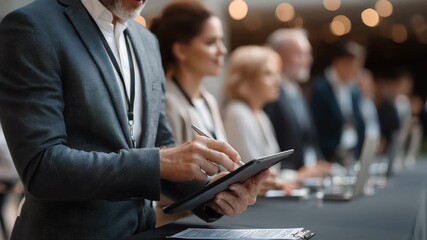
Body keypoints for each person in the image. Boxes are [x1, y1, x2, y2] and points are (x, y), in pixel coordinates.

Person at [0, 0, 269, 239]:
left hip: (147, 231)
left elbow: (161, 146)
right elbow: (42, 167)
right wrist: (160, 162)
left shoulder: (147, 41)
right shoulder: (32, 26)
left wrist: (214, 194)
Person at [149, 0, 228, 226]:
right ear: (181, 49)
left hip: (206, 215)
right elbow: (169, 182)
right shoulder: (165, 102)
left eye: (221, 41)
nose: (222, 50)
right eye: (211, 42)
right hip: (176, 221)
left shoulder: (208, 100)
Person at [264, 29, 331, 183]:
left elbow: (308, 139)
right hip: (286, 183)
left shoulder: (296, 91)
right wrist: (300, 174)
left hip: (307, 179)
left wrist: (318, 165)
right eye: (300, 54)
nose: (308, 60)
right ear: (278, 56)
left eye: (308, 54)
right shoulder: (270, 95)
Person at [223, 45, 288, 193]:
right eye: (268, 74)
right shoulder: (237, 113)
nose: (278, 81)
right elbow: (253, 174)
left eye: (277, 73)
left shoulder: (260, 114)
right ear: (245, 79)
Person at [310, 41, 366, 167]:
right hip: (329, 156)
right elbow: (316, 126)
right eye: (353, 66)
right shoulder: (321, 89)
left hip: (351, 152)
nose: (356, 71)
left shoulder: (353, 89)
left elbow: (357, 121)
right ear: (339, 63)